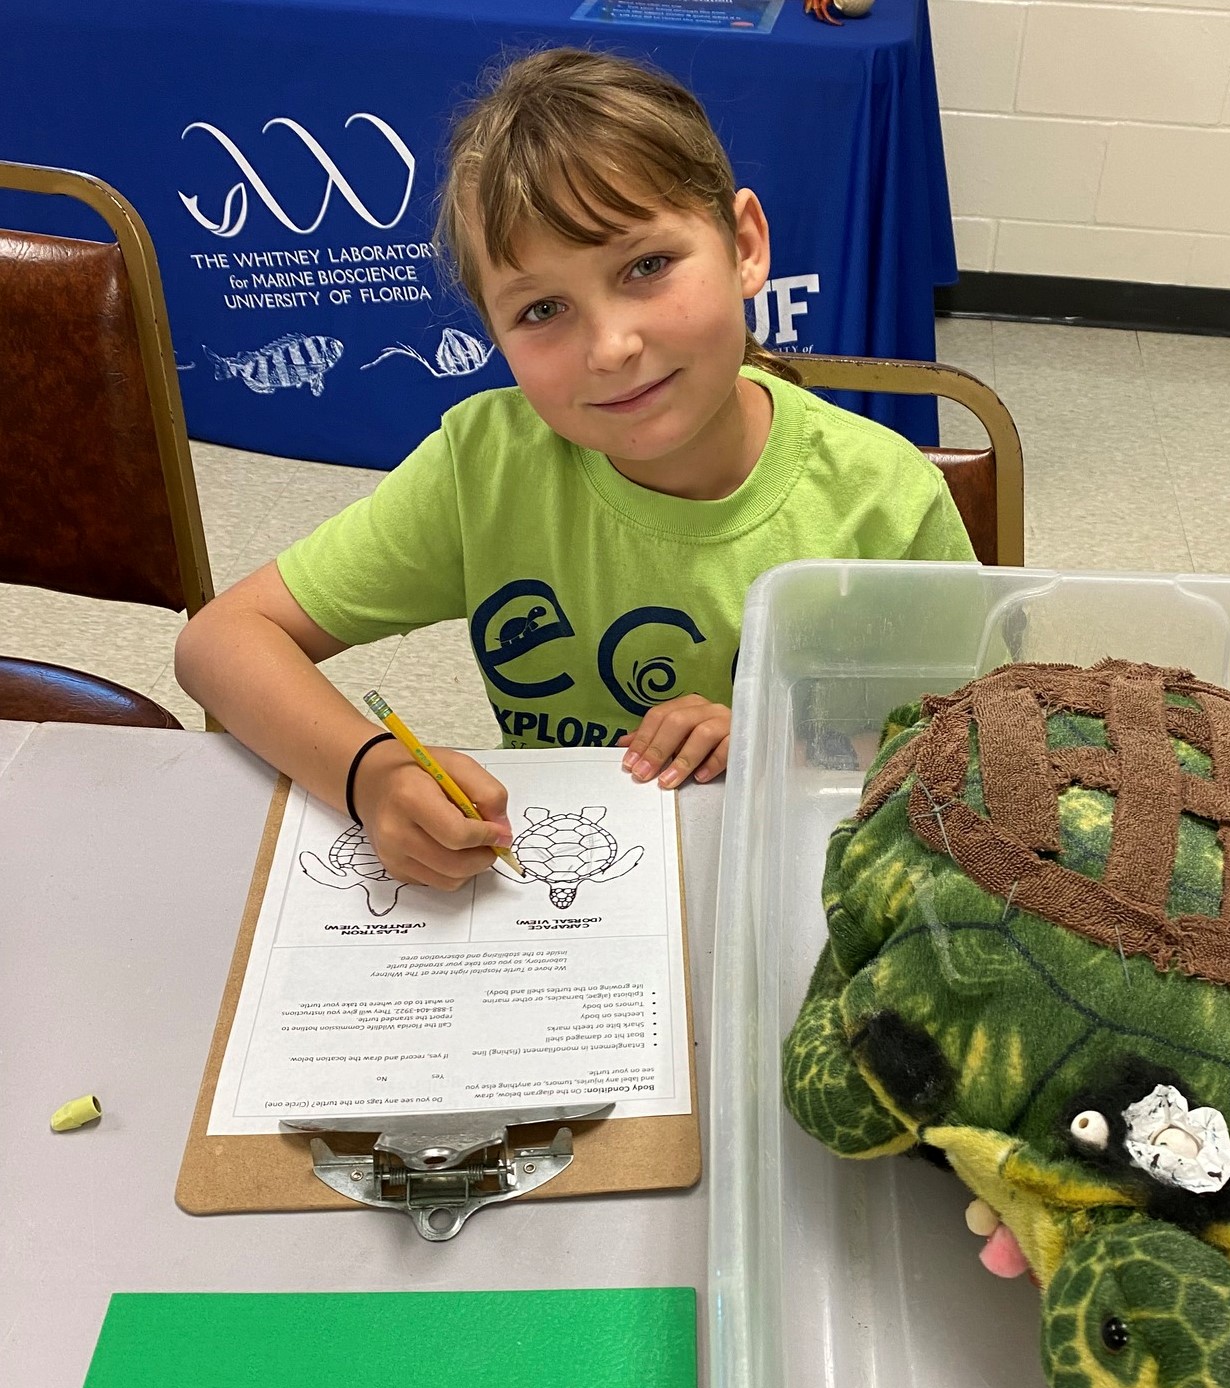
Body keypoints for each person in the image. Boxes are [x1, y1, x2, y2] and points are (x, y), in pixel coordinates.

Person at [176, 47, 976, 895]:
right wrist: (368, 771)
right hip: (564, 907)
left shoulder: (883, 502)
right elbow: (219, 642)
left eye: (646, 266)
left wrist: (783, 738)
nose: (610, 348)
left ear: (743, 244)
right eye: (541, 310)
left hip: (792, 888)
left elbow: (978, 745)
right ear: (493, 334)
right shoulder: (482, 467)